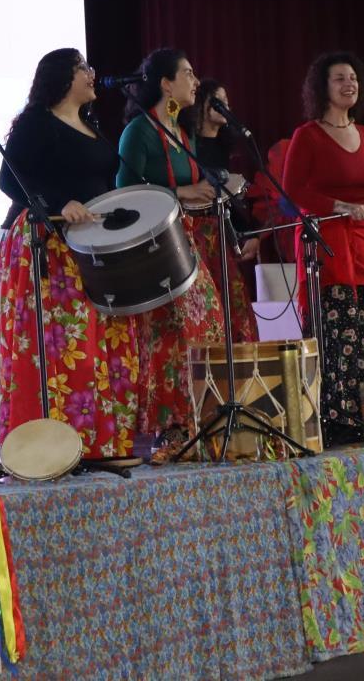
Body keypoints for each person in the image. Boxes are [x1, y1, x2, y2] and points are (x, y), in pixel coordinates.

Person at [0, 48, 137, 457]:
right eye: (82, 68)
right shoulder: (36, 122)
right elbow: (9, 179)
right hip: (46, 243)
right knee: (62, 345)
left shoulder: (91, 124)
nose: (92, 74)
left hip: (93, 246)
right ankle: (50, 447)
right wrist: (59, 204)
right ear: (61, 77)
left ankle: (97, 442)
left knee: (98, 342)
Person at [281, 51, 364, 446]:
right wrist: (338, 206)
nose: (348, 84)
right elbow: (292, 192)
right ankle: (341, 418)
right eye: (339, 78)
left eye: (352, 77)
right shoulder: (308, 135)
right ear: (322, 87)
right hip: (328, 239)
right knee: (341, 326)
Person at [114, 48, 226, 439]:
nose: (196, 81)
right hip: (154, 250)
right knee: (170, 334)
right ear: (166, 84)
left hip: (185, 240)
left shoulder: (181, 129)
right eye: (188, 73)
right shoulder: (139, 131)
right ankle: (166, 425)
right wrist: (181, 192)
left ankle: (196, 418)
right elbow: (125, 193)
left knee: (207, 323)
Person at [181, 78, 259, 343]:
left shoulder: (227, 147)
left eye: (226, 101)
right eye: (217, 101)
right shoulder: (188, 145)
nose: (225, 106)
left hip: (222, 234)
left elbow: (231, 198)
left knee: (234, 303)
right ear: (200, 103)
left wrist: (250, 233)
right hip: (195, 233)